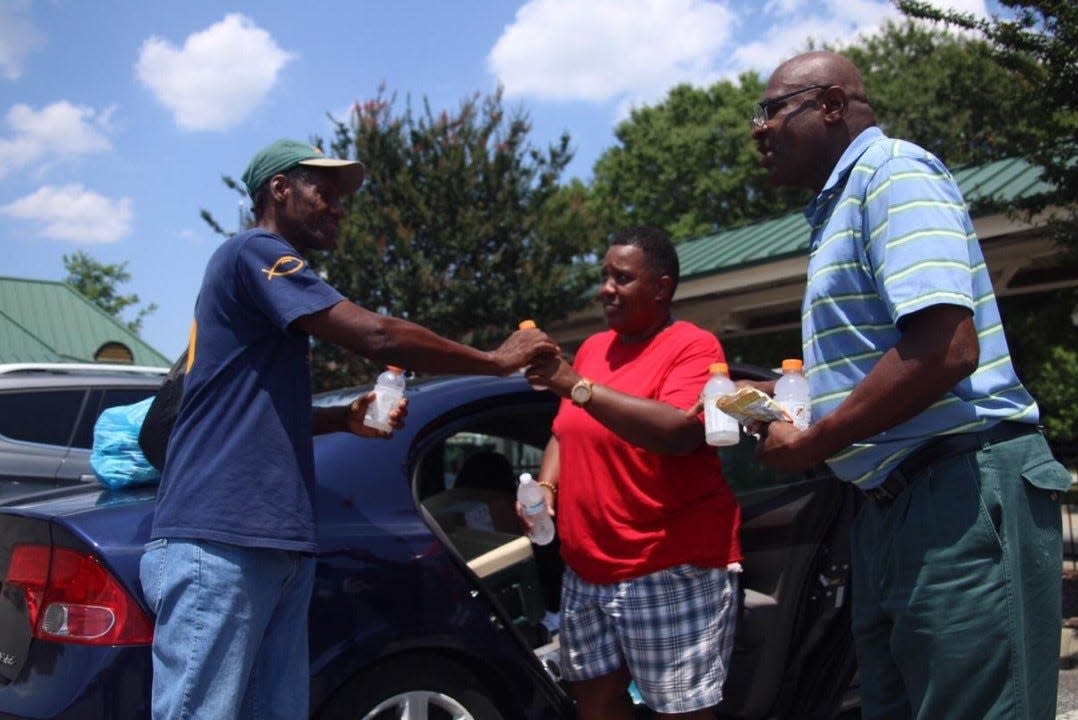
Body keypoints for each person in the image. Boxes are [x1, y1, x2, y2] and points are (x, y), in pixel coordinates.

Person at [139, 138, 559, 720]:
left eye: (343, 198)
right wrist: (495, 360)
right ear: (279, 189)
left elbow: (251, 407)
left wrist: (341, 419)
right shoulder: (253, 252)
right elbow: (378, 336)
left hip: (274, 544)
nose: (338, 207)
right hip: (223, 539)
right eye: (324, 192)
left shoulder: (275, 304)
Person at [748, 51, 1072, 719]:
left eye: (773, 109)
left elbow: (947, 347)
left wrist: (813, 445)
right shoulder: (838, 209)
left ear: (832, 105)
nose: (758, 128)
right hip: (893, 505)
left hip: (959, 493)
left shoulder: (893, 174)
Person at [522, 226, 742, 720]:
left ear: (661, 288)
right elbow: (564, 431)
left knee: (679, 711)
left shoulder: (694, 347)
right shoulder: (595, 349)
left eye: (622, 278)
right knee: (595, 703)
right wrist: (547, 486)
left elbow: (679, 432)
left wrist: (576, 386)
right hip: (587, 569)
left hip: (667, 566)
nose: (606, 289)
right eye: (605, 277)